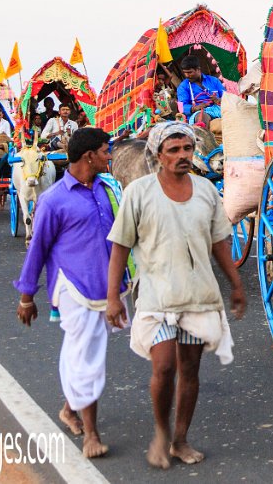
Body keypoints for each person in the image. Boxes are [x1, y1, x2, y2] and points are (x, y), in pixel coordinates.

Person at [105, 121, 246, 470]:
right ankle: (161, 432)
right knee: (164, 366)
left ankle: (181, 439)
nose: (183, 156)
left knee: (191, 368)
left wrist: (236, 283)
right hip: (155, 294)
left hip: (198, 293)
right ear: (157, 154)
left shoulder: (206, 192)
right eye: (174, 150)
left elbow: (219, 242)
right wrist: (113, 297)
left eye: (187, 149)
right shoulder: (138, 193)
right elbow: (120, 247)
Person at [14, 127, 121, 458]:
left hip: (106, 288)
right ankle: (91, 433)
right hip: (74, 287)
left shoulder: (108, 190)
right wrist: (27, 295)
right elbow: (38, 249)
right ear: (89, 156)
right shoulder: (53, 199)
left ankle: (69, 409)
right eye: (106, 151)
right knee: (87, 358)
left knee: (82, 352)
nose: (110, 156)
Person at [176, 55, 224, 128]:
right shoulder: (183, 86)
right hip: (199, 113)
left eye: (189, 72)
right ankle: (203, 136)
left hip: (218, 109)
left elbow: (227, 98)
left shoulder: (214, 81)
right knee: (202, 117)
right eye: (185, 72)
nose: (187, 75)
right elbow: (181, 108)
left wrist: (219, 100)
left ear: (198, 69)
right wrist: (194, 108)